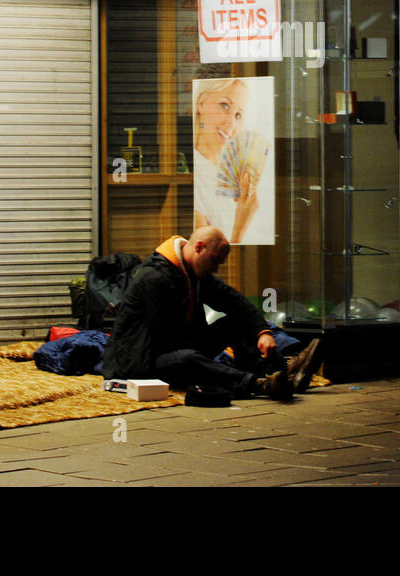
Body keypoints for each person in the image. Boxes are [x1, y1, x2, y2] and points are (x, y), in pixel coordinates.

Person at [100, 226, 321, 399]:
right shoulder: (153, 278)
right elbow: (166, 336)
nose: (216, 269)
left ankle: (280, 372)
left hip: (174, 347)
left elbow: (234, 302)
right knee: (188, 358)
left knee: (233, 321)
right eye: (215, 261)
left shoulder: (194, 273)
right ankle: (258, 384)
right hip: (138, 364)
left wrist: (263, 332)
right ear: (199, 247)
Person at [193, 79, 265, 244]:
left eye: (238, 115)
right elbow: (203, 258)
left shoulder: (232, 174)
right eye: (224, 105)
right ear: (201, 104)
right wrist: (242, 223)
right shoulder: (194, 174)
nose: (231, 124)